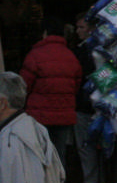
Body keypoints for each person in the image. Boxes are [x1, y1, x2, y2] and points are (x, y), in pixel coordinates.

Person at [19, 15, 83, 169]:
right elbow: (76, 85)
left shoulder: (35, 55)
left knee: (38, 154)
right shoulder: (71, 56)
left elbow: (23, 86)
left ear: (45, 33)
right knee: (58, 155)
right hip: (64, 115)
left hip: (39, 115)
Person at [70, 14, 99, 183]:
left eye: (81, 27)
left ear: (91, 29)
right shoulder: (101, 48)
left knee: (85, 145)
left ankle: (90, 182)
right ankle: (98, 180)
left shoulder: (83, 51)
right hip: (98, 103)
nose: (77, 31)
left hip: (84, 104)